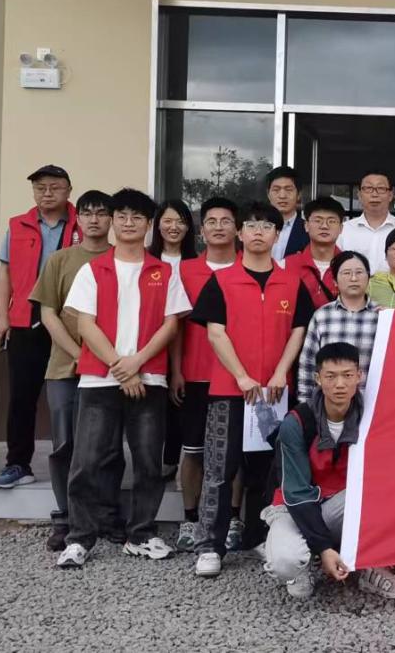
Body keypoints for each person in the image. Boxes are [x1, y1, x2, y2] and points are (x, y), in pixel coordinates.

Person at [56, 188, 191, 568]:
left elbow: (171, 325)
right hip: (99, 380)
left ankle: (141, 534)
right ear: (113, 222)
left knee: (148, 462)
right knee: (87, 462)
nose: (128, 223)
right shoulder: (93, 269)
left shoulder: (163, 271)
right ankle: (79, 538)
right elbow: (85, 324)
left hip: (150, 380)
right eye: (121, 216)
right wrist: (121, 365)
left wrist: (138, 363)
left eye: (137, 217)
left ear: (149, 225)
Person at [191, 201, 313, 577]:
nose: (259, 232)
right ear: (240, 234)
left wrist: (280, 373)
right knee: (219, 469)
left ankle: (260, 538)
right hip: (230, 391)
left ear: (277, 235)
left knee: (267, 470)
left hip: (275, 394)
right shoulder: (222, 281)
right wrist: (241, 376)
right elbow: (215, 332)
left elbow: (299, 330)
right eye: (252, 225)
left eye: (267, 226)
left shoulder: (292, 282)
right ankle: (209, 545)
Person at [262, 342, 395, 600]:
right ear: (318, 379)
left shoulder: (372, 417)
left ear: (359, 376)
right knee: (284, 561)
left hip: (343, 504)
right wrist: (324, 548)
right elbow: (296, 493)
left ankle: (370, 566)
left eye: (347, 375)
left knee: (392, 492)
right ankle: (302, 567)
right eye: (331, 376)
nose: (340, 384)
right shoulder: (297, 422)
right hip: (295, 505)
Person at [28, 190, 115, 551]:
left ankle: (105, 514)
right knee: (65, 444)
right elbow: (48, 313)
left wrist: (102, 358)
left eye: (102, 213)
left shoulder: (122, 258)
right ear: (78, 218)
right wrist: (78, 354)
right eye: (87, 213)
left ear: (112, 219)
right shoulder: (60, 259)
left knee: (107, 445)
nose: (94, 219)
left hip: (109, 369)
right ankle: (65, 516)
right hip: (65, 367)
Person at [0, 164, 80, 489]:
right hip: (25, 321)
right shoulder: (17, 226)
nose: (47, 193)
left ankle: (75, 465)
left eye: (54, 187)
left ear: (68, 190)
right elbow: (4, 274)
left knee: (71, 400)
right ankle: (18, 464)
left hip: (70, 325)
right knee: (22, 397)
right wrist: (2, 315)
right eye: (40, 188)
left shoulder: (83, 224)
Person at [170, 197, 240, 553]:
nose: (218, 227)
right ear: (201, 231)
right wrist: (176, 370)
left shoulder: (248, 269)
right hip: (195, 373)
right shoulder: (185, 271)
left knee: (235, 453)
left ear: (237, 229)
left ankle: (233, 520)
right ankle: (190, 518)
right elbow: (176, 327)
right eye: (211, 221)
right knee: (194, 450)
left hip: (235, 376)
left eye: (225, 221)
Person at [149, 199, 198, 482]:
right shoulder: (146, 260)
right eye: (167, 221)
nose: (174, 227)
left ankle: (171, 461)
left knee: (178, 402)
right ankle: (152, 461)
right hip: (149, 344)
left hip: (187, 342)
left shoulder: (195, 263)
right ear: (157, 225)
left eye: (180, 221)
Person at [297, 250, 380, 399]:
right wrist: (305, 404)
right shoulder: (322, 316)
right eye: (346, 273)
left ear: (368, 278)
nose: (353, 278)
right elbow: (307, 364)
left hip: (371, 402)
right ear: (335, 281)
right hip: (329, 404)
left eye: (359, 272)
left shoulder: (381, 317)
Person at [337, 171, 395, 275]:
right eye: (368, 188)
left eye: (381, 188)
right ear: (359, 195)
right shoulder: (344, 230)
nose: (374, 194)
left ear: (390, 195)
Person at [286, 197, 344, 310]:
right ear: (306, 226)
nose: (324, 226)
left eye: (331, 221)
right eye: (318, 220)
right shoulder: (287, 265)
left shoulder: (350, 265)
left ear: (341, 228)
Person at [266, 166, 309, 262]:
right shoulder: (254, 229)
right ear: (268, 194)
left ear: (299, 194)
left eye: (288, 190)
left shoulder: (308, 231)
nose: (282, 196)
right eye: (276, 190)